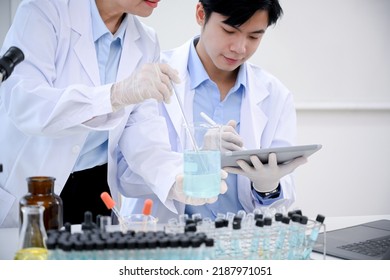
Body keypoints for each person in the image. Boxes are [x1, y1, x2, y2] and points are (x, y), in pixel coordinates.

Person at [0, 0, 227, 228]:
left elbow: (142, 137)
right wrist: (115, 95)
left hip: (96, 194)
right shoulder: (44, 11)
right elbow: (26, 104)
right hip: (33, 189)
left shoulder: (146, 41)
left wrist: (174, 179)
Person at [120, 0, 307, 222]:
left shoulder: (275, 95)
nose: (240, 48)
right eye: (229, 31)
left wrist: (267, 187)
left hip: (239, 243)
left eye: (254, 37)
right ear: (201, 14)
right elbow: (125, 174)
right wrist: (201, 161)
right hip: (165, 238)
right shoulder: (153, 77)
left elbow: (282, 195)